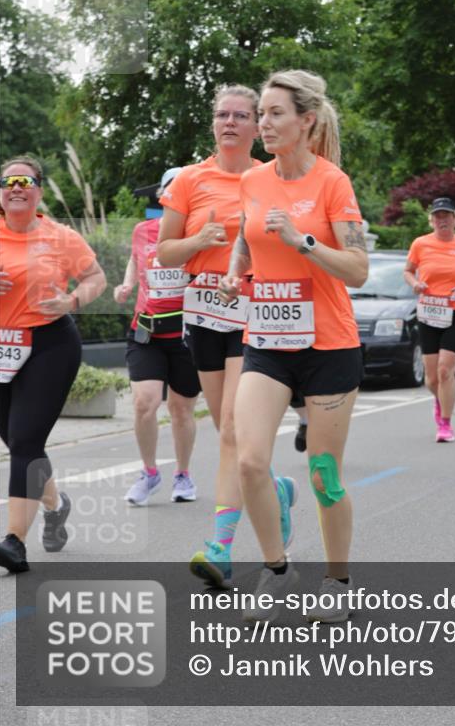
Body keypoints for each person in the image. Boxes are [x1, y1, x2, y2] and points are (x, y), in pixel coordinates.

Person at [220, 69, 368, 622]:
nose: (264, 123)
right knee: (251, 461)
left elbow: (356, 269)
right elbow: (245, 236)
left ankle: (338, 580)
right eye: (261, 113)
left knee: (324, 474)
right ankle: (278, 569)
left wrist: (302, 242)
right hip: (267, 342)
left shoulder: (333, 183)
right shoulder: (253, 182)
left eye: (275, 113)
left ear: (306, 121)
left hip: (328, 345)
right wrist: (238, 271)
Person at [156, 84, 296, 587]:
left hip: (255, 315)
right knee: (226, 432)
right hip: (203, 316)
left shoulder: (269, 178)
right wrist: (199, 240)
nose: (231, 122)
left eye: (242, 115)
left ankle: (220, 545)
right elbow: (165, 253)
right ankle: (275, 489)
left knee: (235, 431)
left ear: (257, 123)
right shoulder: (191, 180)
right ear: (212, 123)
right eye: (222, 115)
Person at [0, 156, 106, 573]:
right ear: (0, 193)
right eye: (8, 181)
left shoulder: (60, 237)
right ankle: (56, 505)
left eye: (25, 180)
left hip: (49, 345)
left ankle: (13, 542)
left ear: (39, 190)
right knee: (16, 439)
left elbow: (96, 278)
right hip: (1, 348)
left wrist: (73, 300)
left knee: (24, 440)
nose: (16, 187)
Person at [114, 168, 201, 505]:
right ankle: (149, 473)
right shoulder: (143, 230)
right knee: (144, 403)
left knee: (181, 409)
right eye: (171, 191)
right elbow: (137, 262)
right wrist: (127, 284)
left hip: (186, 335)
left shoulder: (197, 234)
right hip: (146, 331)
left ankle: (183, 474)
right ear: (163, 197)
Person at [404, 198, 455, 443]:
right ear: (432, 220)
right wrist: (415, 283)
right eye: (438, 216)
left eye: (447, 216)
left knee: (445, 370)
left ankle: (445, 424)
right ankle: (440, 400)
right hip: (429, 311)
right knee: (431, 378)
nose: (443, 220)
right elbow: (407, 271)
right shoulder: (420, 244)